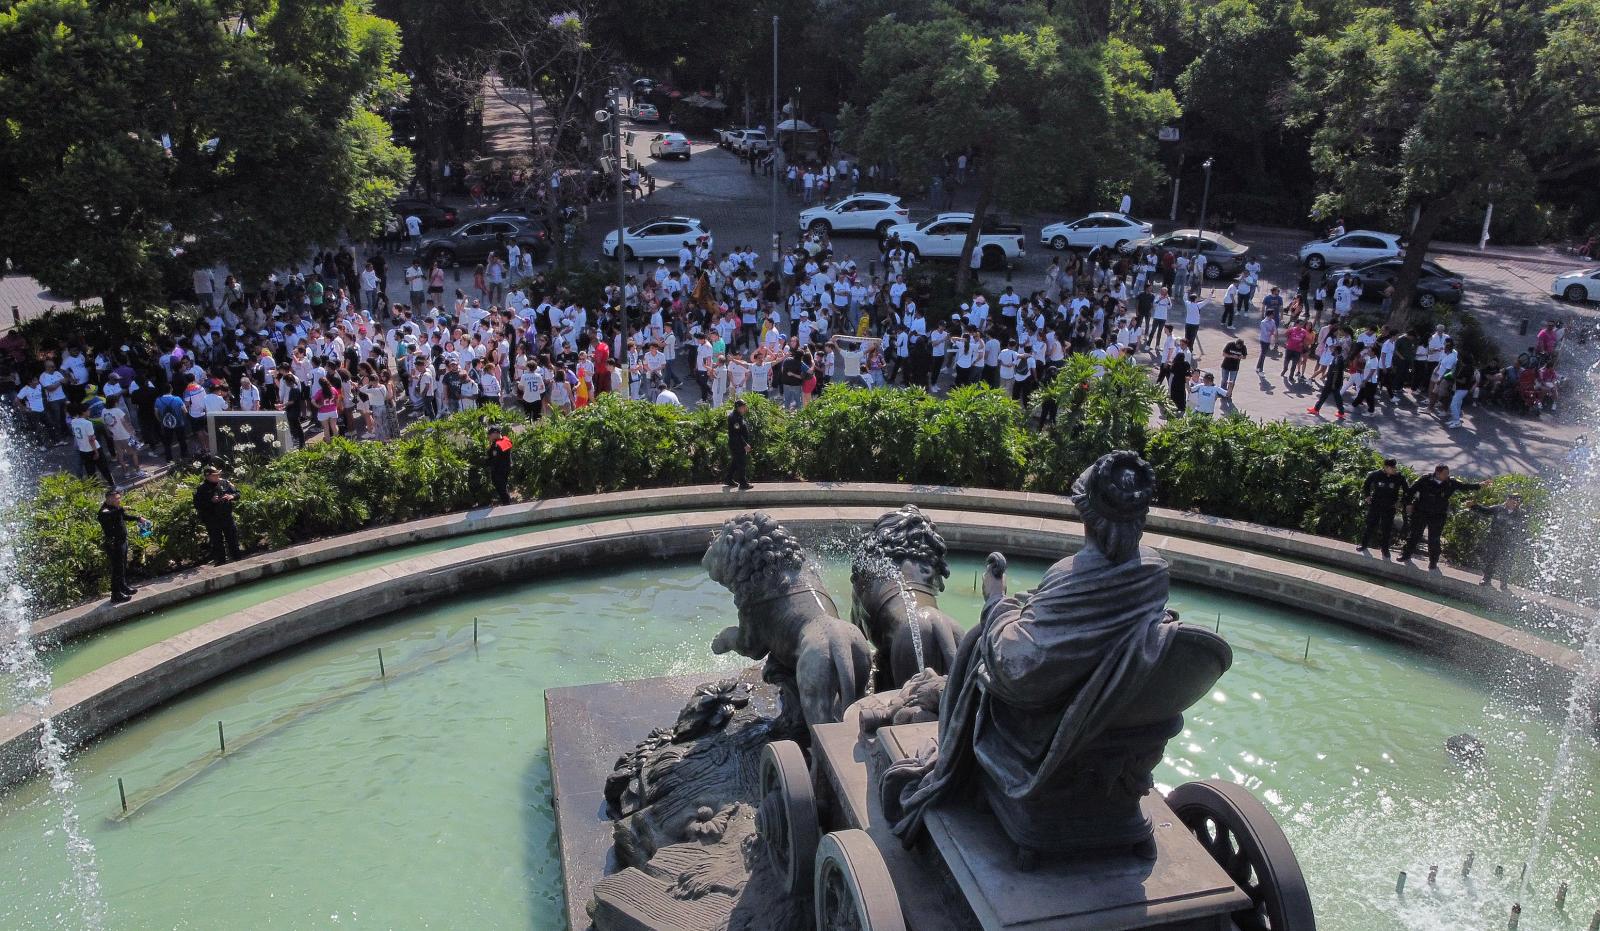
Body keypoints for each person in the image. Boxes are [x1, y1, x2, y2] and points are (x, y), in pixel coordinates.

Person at [1398, 465, 1481, 570]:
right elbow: (1411, 491)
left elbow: (1464, 486)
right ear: (1437, 473)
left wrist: (1479, 485)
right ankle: (1406, 555)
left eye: (1448, 473)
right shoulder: (1425, 479)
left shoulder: (1451, 482)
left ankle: (1433, 562)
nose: (1447, 475)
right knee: (1415, 534)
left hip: (1438, 514)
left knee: (1434, 539)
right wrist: (1408, 503)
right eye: (1444, 473)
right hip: (1421, 511)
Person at [98, 488, 149, 604]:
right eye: (116, 499)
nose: (119, 501)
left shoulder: (115, 508)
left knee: (122, 567)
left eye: (119, 498)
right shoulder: (104, 511)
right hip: (114, 544)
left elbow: (123, 516)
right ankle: (115, 595)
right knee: (117, 569)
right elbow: (110, 515)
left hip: (122, 541)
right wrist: (121, 509)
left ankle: (123, 587)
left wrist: (137, 518)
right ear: (109, 499)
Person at [1470, 494, 1527, 587]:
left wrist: (1521, 541)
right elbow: (1485, 511)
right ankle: (1486, 578)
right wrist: (1473, 506)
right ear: (1507, 500)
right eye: (1511, 500)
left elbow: (1523, 529)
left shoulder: (1521, 514)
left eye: (1516, 501)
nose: (1513, 502)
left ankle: (1504, 582)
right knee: (1491, 559)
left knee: (1507, 562)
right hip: (1495, 539)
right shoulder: (1498, 508)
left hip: (1509, 542)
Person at [1358, 458, 1409, 558]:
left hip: (1390, 507)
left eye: (1395, 467)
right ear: (1386, 467)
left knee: (1387, 528)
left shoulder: (1399, 477)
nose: (1395, 469)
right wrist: (1367, 495)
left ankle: (1385, 549)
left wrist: (1401, 502)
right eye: (1392, 467)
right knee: (1370, 525)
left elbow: (1407, 490)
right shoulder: (1376, 474)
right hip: (1376, 504)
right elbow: (1366, 484)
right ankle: (1363, 544)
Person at [192, 466, 242, 565]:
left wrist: (232, 496)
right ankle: (221, 561)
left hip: (226, 516)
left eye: (218, 474)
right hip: (212, 519)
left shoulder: (224, 482)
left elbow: (237, 493)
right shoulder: (201, 488)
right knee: (217, 541)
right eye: (215, 475)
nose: (218, 476)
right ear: (208, 476)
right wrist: (210, 501)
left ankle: (237, 558)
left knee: (232, 537)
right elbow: (197, 504)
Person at [724, 399, 753, 490]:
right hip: (737, 444)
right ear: (738, 408)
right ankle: (743, 483)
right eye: (743, 407)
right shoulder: (734, 418)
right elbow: (737, 434)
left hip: (738, 444)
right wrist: (745, 445)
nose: (745, 409)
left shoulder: (738, 415)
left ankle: (728, 478)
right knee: (741, 463)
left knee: (735, 463)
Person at [486, 425, 513, 506]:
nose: (489, 436)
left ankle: (507, 504)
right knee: (501, 487)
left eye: (490, 434)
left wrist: (487, 462)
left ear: (495, 433)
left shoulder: (498, 445)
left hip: (500, 469)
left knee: (501, 487)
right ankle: (506, 503)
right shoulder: (505, 440)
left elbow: (494, 458)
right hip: (504, 468)